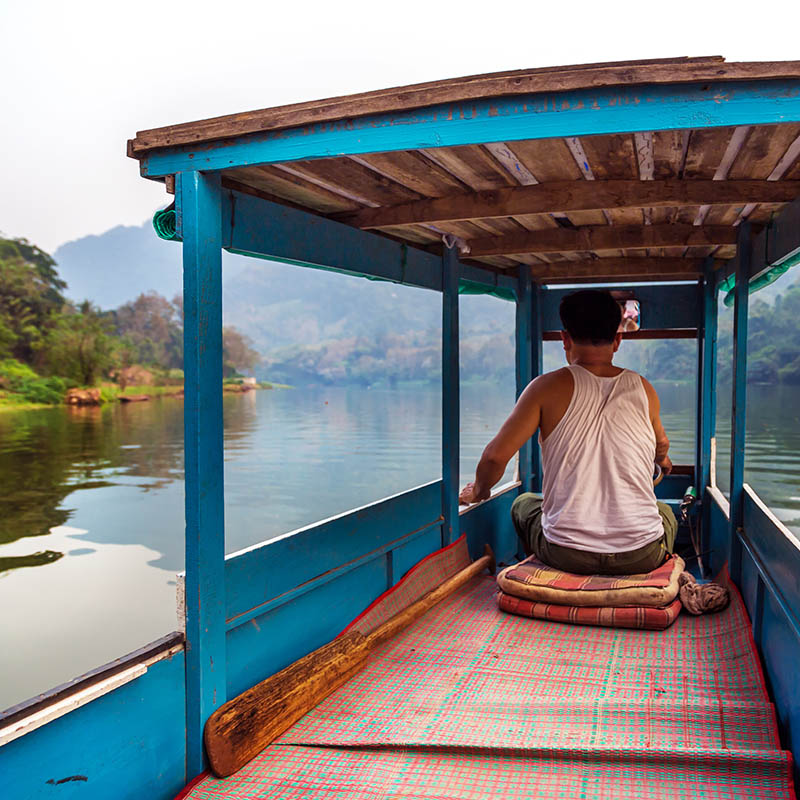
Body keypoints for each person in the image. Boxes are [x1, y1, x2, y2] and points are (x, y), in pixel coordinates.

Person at [459, 289, 677, 576]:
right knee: (666, 513)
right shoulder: (644, 389)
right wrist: (663, 461)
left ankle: (545, 573)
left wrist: (479, 490)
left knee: (524, 504)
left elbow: (494, 459)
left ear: (565, 338)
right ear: (617, 340)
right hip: (641, 555)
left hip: (565, 553)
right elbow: (662, 444)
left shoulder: (544, 388)